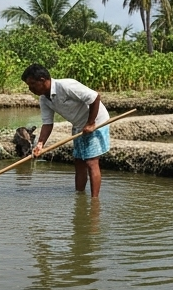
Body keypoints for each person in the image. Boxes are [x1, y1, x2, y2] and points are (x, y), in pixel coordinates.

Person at [22, 63, 110, 198]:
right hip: (79, 125)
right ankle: (79, 196)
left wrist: (91, 123)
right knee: (79, 161)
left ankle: (94, 201)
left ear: (42, 80)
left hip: (96, 121)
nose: (30, 89)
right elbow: (47, 123)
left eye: (32, 84)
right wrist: (40, 144)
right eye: (29, 86)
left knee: (91, 162)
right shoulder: (44, 99)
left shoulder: (66, 86)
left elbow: (94, 97)